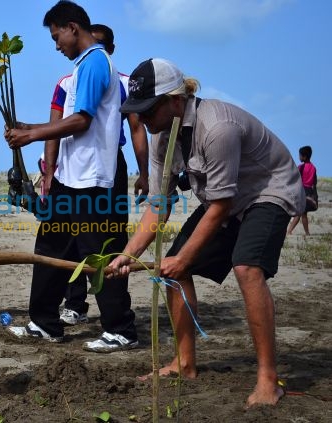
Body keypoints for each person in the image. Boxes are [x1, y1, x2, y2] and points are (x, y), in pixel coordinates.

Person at [108, 58, 304, 407]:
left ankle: (268, 379)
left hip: (267, 191)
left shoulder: (217, 127)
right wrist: (128, 254)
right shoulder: (161, 138)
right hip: (225, 199)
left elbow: (220, 206)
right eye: (138, 111)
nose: (144, 119)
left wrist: (184, 257)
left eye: (149, 109)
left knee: (246, 268)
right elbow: (158, 206)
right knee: (172, 271)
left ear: (176, 101)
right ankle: (184, 364)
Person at [5, 1, 138, 352]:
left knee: (100, 253)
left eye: (56, 36)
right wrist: (32, 127)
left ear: (72, 28)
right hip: (70, 177)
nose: (56, 44)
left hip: (93, 179)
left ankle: (121, 329)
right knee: (50, 246)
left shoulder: (95, 62)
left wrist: (32, 135)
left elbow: (82, 120)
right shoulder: (80, 68)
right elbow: (67, 122)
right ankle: (45, 323)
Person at [47, 23, 149, 326]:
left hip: (109, 167)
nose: (96, 51)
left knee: (110, 238)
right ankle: (75, 302)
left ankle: (117, 312)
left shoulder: (126, 82)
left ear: (111, 51)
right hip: (71, 168)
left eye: (102, 46)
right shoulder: (67, 82)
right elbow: (54, 129)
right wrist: (49, 172)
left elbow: (136, 129)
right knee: (68, 238)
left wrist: (144, 174)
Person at [287, 146, 316, 236]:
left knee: (299, 213)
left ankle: (289, 231)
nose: (299, 157)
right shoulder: (313, 168)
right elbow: (314, 182)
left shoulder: (301, 167)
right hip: (309, 191)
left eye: (300, 155)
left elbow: (295, 179)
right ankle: (307, 233)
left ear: (304, 157)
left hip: (302, 191)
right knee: (304, 213)